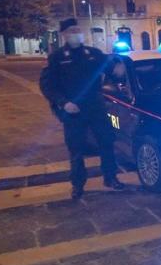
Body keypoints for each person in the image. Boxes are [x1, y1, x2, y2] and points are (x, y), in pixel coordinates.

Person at [40, 18, 125, 199]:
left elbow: (110, 68)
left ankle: (110, 177)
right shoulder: (57, 58)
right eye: (72, 30)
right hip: (72, 110)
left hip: (95, 107)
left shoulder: (93, 53)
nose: (76, 33)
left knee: (106, 142)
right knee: (76, 149)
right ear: (64, 34)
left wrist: (118, 69)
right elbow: (48, 86)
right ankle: (78, 185)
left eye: (78, 30)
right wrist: (63, 103)